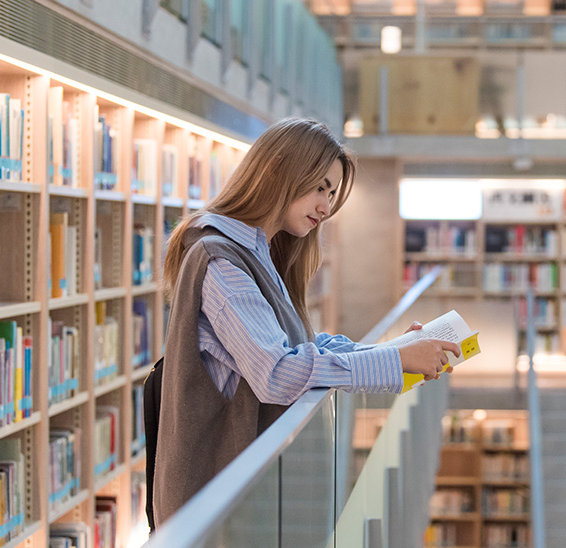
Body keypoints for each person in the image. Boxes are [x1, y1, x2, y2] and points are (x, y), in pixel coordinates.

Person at [153, 117, 459, 526]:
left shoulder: (260, 254)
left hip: (240, 498)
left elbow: (303, 348)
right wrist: (395, 361)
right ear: (278, 169)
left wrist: (394, 351)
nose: (326, 207)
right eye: (320, 188)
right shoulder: (221, 262)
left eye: (331, 194)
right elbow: (277, 373)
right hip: (215, 506)